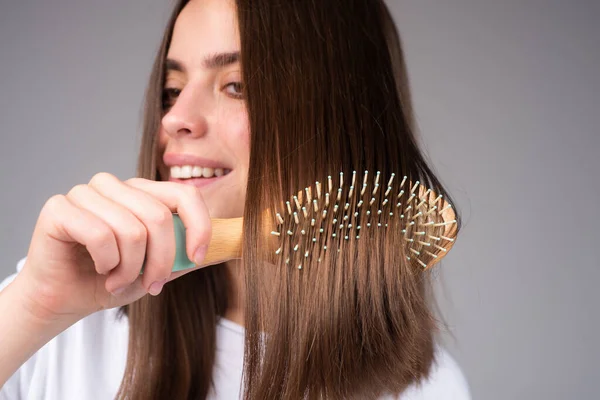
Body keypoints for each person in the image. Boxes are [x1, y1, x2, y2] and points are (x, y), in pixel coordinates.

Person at [0, 0, 471, 398]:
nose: (175, 118)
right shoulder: (54, 318)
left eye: (236, 86)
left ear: (333, 120)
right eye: (171, 90)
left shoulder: (428, 389)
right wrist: (35, 308)